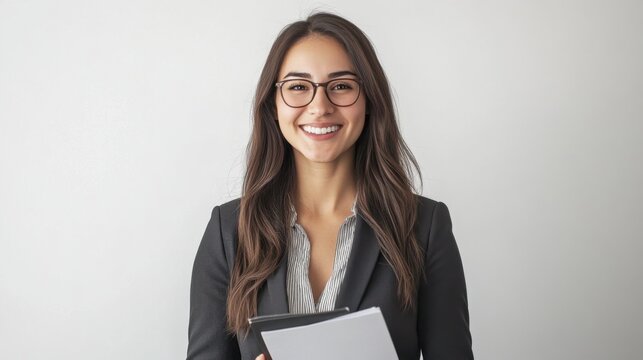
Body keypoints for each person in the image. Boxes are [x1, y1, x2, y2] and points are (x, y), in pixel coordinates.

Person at [186, 12, 473, 360]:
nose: (319, 107)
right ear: (273, 106)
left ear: (368, 101)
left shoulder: (424, 226)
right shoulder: (228, 231)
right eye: (297, 87)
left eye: (341, 86)